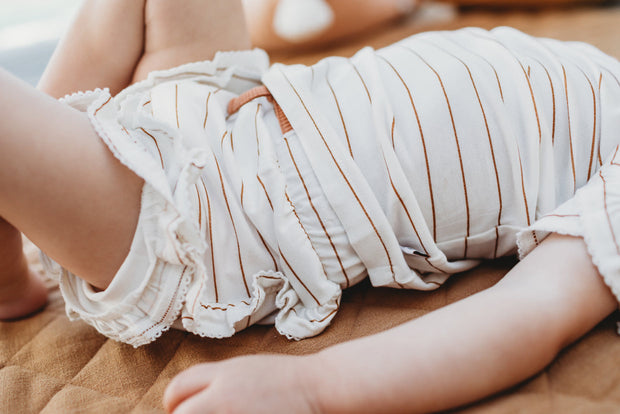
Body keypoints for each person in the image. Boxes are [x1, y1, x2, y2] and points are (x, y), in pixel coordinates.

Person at [0, 0, 619, 413]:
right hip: (237, 102)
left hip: (223, 212)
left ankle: (26, 201)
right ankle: (22, 204)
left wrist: (314, 389)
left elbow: (532, 314)